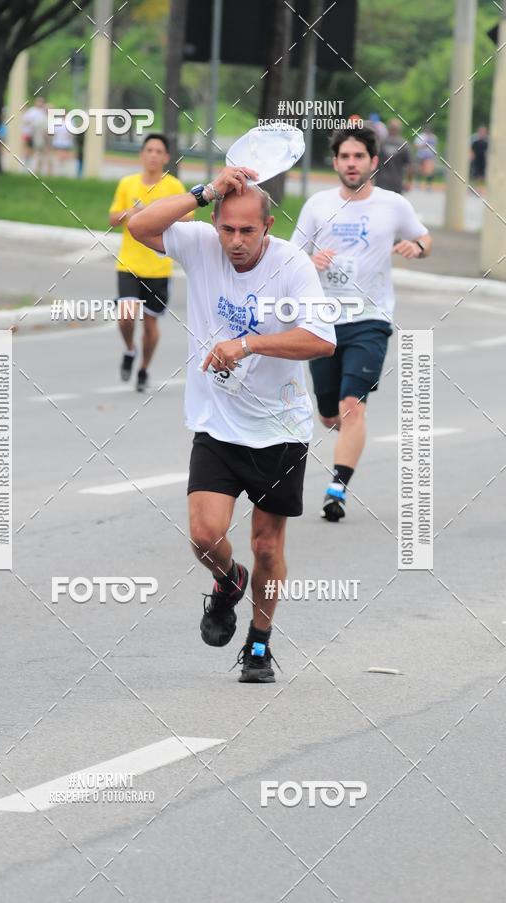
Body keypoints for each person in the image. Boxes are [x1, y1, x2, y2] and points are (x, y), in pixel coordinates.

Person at [128, 167, 336, 683]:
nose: (236, 242)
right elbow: (137, 226)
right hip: (217, 424)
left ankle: (259, 646)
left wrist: (247, 343)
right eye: (227, 229)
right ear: (216, 222)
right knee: (203, 536)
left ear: (268, 227)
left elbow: (321, 339)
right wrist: (203, 194)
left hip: (279, 429)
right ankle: (228, 580)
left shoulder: (291, 265)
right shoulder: (201, 244)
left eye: (247, 231)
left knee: (267, 546)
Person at [291, 125, 431, 522]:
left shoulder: (393, 205)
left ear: (373, 161)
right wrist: (309, 261)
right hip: (323, 322)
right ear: (335, 162)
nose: (351, 164)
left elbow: (424, 239)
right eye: (344, 157)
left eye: (359, 157)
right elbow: (291, 254)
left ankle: (337, 487)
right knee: (329, 414)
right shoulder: (318, 205)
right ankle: (349, 440)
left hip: (370, 319)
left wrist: (416, 248)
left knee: (353, 407)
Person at [109, 133, 190, 392]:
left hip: (158, 266)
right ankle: (130, 349)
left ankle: (143, 368)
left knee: (151, 325)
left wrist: (157, 215)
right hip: (129, 264)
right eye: (149, 150)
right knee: (126, 315)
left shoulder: (174, 186)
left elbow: (188, 218)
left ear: (166, 157)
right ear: (142, 155)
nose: (154, 155)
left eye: (159, 151)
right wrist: (130, 213)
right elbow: (112, 218)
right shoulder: (127, 184)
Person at [375, 119, 413, 194]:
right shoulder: (404, 144)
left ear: (388, 128)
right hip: (396, 183)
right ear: (400, 130)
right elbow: (410, 166)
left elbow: (373, 161)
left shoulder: (381, 143)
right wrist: (409, 182)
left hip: (381, 182)